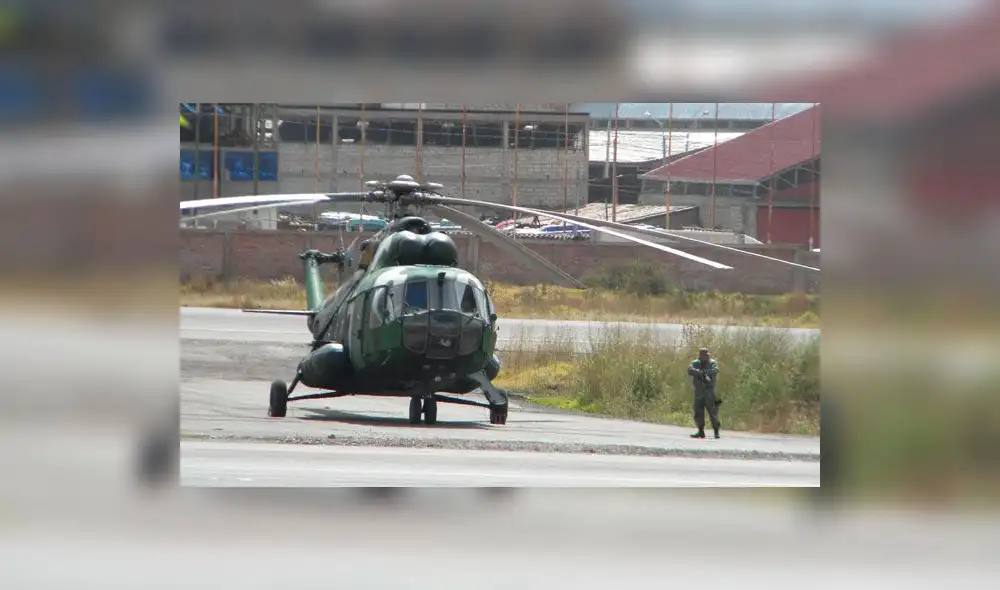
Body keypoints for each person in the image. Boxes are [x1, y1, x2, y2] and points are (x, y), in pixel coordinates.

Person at [687, 347, 721, 439]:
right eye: (704, 355)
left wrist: (703, 373)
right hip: (698, 392)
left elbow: (714, 371)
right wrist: (699, 372)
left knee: (713, 413)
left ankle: (716, 432)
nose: (706, 357)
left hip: (709, 392)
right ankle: (701, 431)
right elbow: (690, 370)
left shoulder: (712, 363)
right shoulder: (695, 363)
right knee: (698, 412)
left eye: (707, 355)